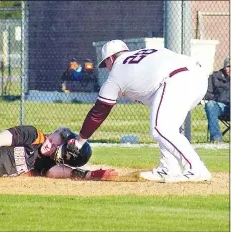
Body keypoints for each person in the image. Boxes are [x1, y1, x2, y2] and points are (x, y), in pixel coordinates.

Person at [66, 40, 211, 183]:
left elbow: (99, 111)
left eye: (106, 64)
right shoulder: (145, 55)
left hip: (177, 79)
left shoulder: (116, 72)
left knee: (160, 128)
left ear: (111, 58)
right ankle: (168, 167)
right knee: (167, 127)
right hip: (198, 77)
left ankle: (195, 169)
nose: (107, 68)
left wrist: (79, 142)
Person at [204, 57, 230, 143]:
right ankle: (216, 138)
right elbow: (207, 93)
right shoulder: (214, 77)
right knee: (210, 105)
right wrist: (218, 98)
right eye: (228, 66)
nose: (229, 69)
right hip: (218, 106)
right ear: (224, 67)